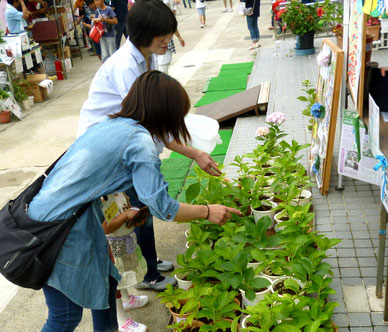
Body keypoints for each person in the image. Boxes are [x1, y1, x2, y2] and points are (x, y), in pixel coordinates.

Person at [28, 70, 241, 332]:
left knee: (105, 288)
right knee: (65, 317)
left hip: (54, 218)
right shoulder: (139, 142)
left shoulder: (111, 125)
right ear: (164, 113)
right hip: (59, 231)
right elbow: (162, 207)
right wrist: (207, 211)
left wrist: (105, 229)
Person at [78, 0, 221, 292]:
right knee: (136, 210)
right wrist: (206, 210)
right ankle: (147, 275)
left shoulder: (145, 56)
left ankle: (150, 262)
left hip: (122, 139)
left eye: (170, 33)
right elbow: (151, 122)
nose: (168, 40)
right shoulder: (124, 66)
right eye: (163, 35)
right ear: (144, 33)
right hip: (106, 151)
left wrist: (196, 154)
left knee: (139, 207)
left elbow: (154, 121)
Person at [101, 193, 149, 330]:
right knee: (116, 282)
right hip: (114, 246)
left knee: (124, 274)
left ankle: (126, 300)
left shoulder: (118, 191)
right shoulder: (104, 198)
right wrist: (126, 216)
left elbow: (124, 209)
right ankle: (120, 319)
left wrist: (133, 215)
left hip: (125, 240)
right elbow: (105, 227)